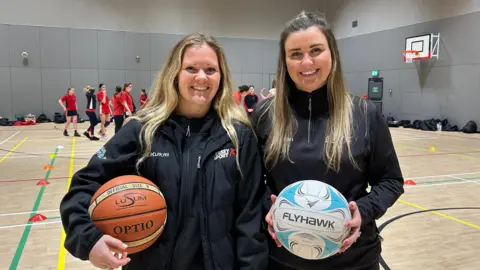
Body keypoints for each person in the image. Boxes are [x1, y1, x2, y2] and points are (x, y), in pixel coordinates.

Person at [59, 32, 268, 270]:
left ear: (221, 77)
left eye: (211, 70)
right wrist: (88, 240)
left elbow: (249, 220)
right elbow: (84, 186)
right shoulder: (142, 131)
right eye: (191, 68)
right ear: (174, 74)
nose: (202, 77)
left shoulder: (238, 136)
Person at [250, 11, 404, 270]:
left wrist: (361, 212)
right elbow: (250, 184)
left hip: (355, 259)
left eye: (316, 50)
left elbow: (391, 181)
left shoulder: (364, 115)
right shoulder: (264, 115)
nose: (306, 61)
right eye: (295, 53)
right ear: (285, 61)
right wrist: (269, 207)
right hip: (282, 260)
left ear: (332, 53)